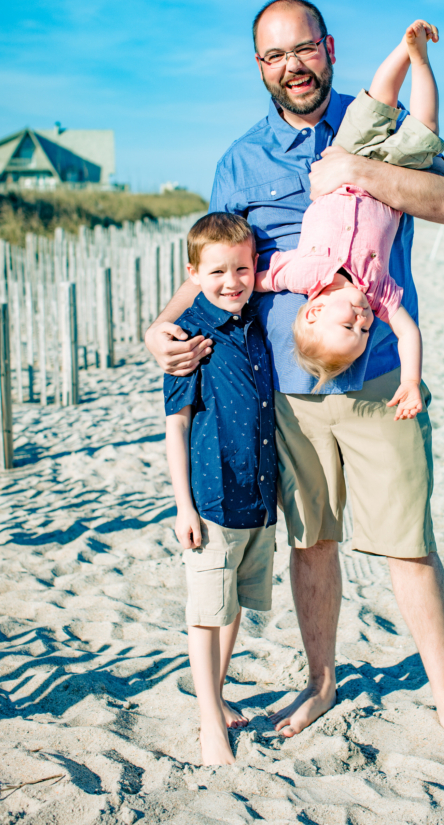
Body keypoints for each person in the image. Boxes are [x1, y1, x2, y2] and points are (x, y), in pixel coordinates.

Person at [147, 0, 444, 762]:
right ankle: (320, 681)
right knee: (312, 545)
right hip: (286, 394)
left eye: (303, 49)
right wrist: (160, 325)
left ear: (329, 48)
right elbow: (218, 264)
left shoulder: (377, 121)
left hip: (379, 384)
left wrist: (357, 169)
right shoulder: (240, 159)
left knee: (409, 548)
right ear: (259, 67)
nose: (292, 67)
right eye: (275, 56)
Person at [254, 20, 444, 412]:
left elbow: (258, 279)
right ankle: (422, 62)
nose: (361, 320)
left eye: (348, 325)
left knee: (378, 103)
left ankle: (403, 48)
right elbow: (408, 332)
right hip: (389, 177)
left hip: (344, 158)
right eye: (363, 331)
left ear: (315, 312)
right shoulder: (378, 293)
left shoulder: (301, 274)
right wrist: (411, 381)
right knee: (424, 128)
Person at [163, 212, 277, 766]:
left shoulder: (256, 323)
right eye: (216, 272)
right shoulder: (188, 336)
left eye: (242, 269)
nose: (231, 282)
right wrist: (183, 506)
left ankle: (219, 693)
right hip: (212, 500)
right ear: (193, 274)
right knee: (206, 612)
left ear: (255, 268)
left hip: (258, 496)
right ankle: (209, 719)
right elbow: (177, 426)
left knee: (231, 606)